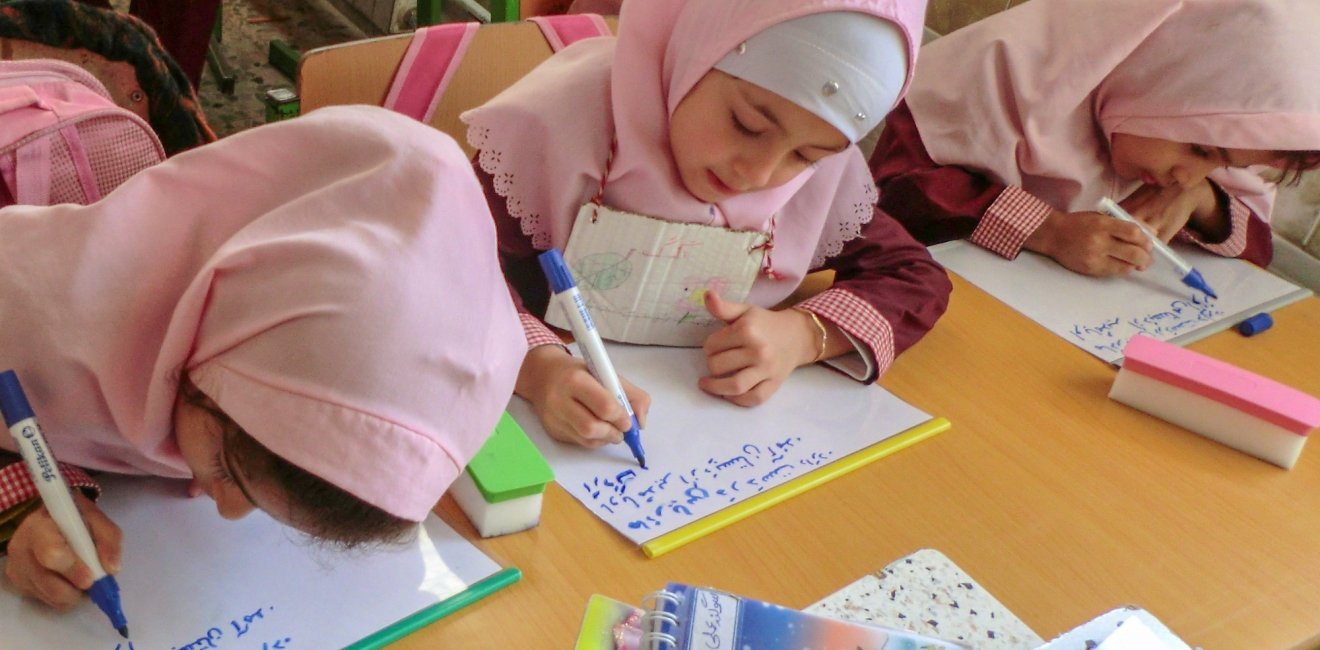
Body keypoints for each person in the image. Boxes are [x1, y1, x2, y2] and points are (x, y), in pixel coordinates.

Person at [0, 105, 524, 610]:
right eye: (228, 473)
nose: (225, 511)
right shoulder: (36, 306)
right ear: (208, 359)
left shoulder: (246, 345)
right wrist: (20, 504)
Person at [461, 0, 950, 449]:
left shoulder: (814, 185)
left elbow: (913, 275)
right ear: (694, 51)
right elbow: (449, 266)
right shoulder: (555, 129)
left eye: (805, 156)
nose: (756, 176)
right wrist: (536, 367)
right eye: (747, 124)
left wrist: (804, 336)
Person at [870, 0, 1320, 278]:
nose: (1187, 177)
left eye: (1224, 165)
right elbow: (892, 194)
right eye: (1200, 150)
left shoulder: (1190, 170)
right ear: (1162, 73)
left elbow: (1255, 248)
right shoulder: (1005, 69)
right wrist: (1046, 231)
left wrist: (1204, 201)